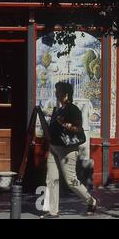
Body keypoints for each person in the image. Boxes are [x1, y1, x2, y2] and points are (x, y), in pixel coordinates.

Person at [40, 82, 97, 219]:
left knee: (71, 180)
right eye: (56, 91)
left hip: (68, 150)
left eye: (59, 92)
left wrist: (64, 124)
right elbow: (51, 132)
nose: (56, 94)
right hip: (54, 148)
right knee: (51, 179)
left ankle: (91, 201)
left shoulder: (73, 110)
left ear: (66, 95)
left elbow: (78, 129)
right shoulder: (57, 110)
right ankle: (53, 212)